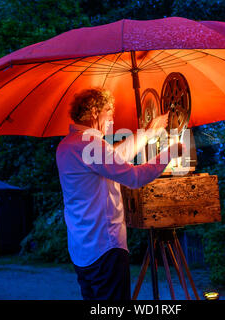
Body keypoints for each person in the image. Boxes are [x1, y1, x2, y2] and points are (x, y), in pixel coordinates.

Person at [56, 88, 184, 300]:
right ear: (95, 111)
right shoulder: (90, 143)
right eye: (109, 111)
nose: (112, 118)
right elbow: (134, 177)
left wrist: (148, 133)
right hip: (105, 248)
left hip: (81, 250)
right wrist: (170, 152)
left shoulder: (67, 145)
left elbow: (114, 158)